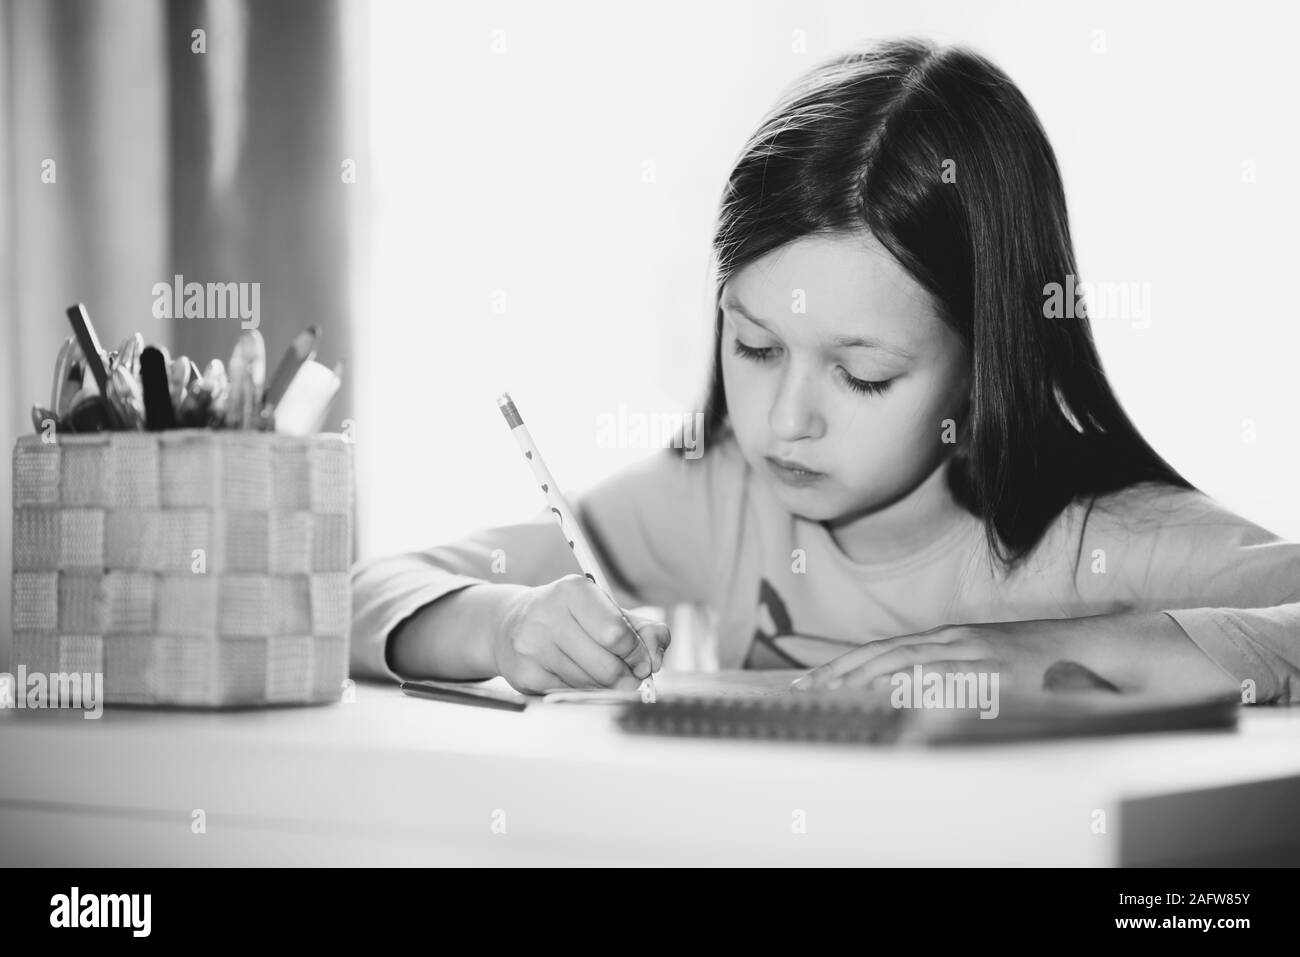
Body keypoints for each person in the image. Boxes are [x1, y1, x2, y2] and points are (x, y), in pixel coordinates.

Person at [351, 37, 1300, 704]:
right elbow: (358, 590)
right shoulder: (717, 503)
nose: (783, 421)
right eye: (756, 348)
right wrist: (506, 625)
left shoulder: (1094, 541)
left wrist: (1081, 647)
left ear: (985, 361)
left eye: (863, 376)